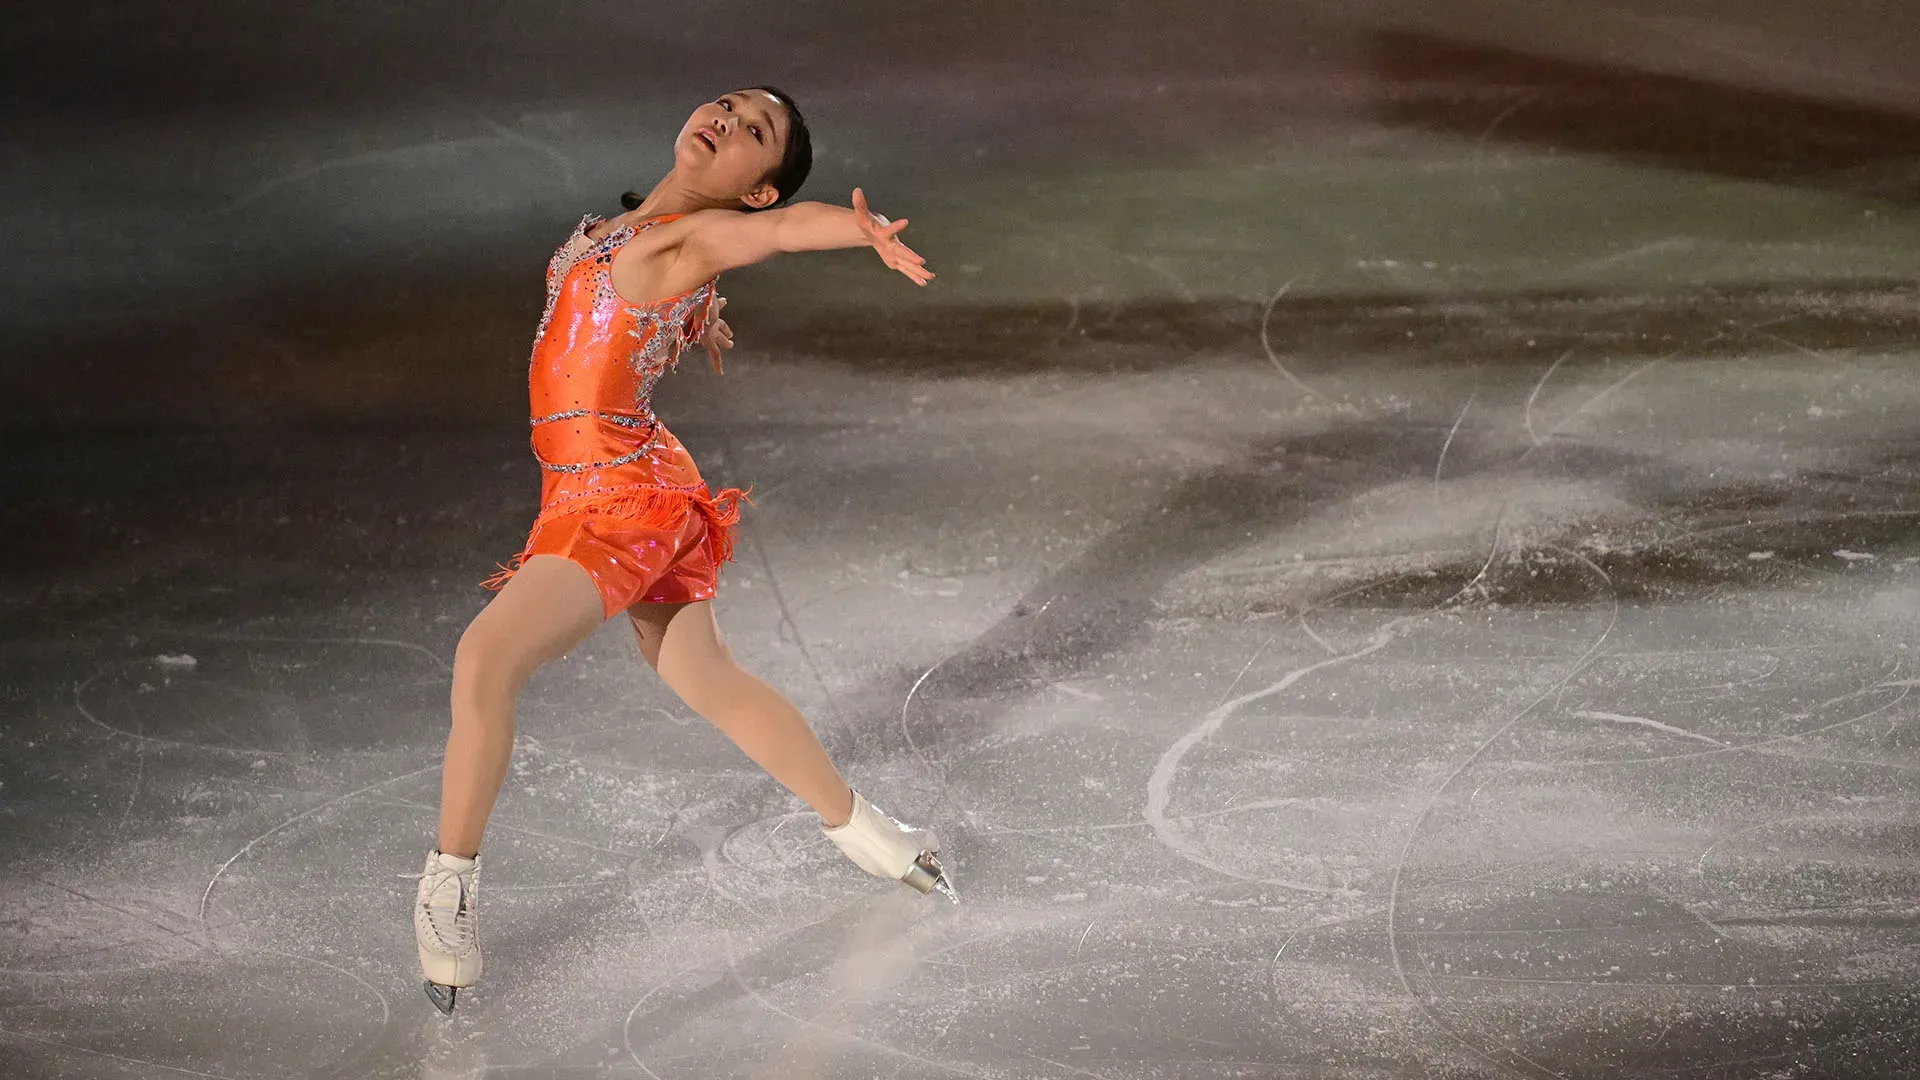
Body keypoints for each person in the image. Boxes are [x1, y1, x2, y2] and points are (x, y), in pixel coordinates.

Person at [411, 86, 946, 1015]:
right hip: (613, 480)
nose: (729, 121)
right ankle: (869, 833)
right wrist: (694, 316)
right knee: (705, 675)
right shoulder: (631, 232)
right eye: (732, 105)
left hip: (617, 500)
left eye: (756, 134)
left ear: (758, 191)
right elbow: (632, 303)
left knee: (484, 660)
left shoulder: (686, 241)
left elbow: (772, 239)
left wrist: (856, 233)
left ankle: (446, 888)